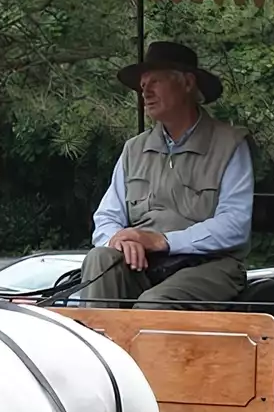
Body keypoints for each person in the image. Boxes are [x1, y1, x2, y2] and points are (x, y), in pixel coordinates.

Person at [82, 41, 253, 307]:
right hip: (144, 266)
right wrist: (121, 240)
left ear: (187, 83)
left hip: (208, 267)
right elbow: (106, 217)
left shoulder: (229, 144)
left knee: (154, 304)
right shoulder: (134, 149)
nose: (145, 92)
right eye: (142, 86)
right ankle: (96, 346)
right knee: (100, 258)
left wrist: (162, 241)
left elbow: (235, 226)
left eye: (155, 82)